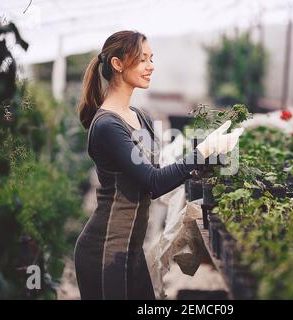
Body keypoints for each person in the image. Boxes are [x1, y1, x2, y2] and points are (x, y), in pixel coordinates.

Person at [74, 30, 243, 300]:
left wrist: (208, 160)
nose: (151, 66)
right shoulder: (108, 125)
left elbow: (160, 173)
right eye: (143, 60)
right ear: (117, 64)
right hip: (105, 251)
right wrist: (202, 151)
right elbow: (152, 182)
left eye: (151, 58)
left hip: (132, 249)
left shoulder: (141, 117)